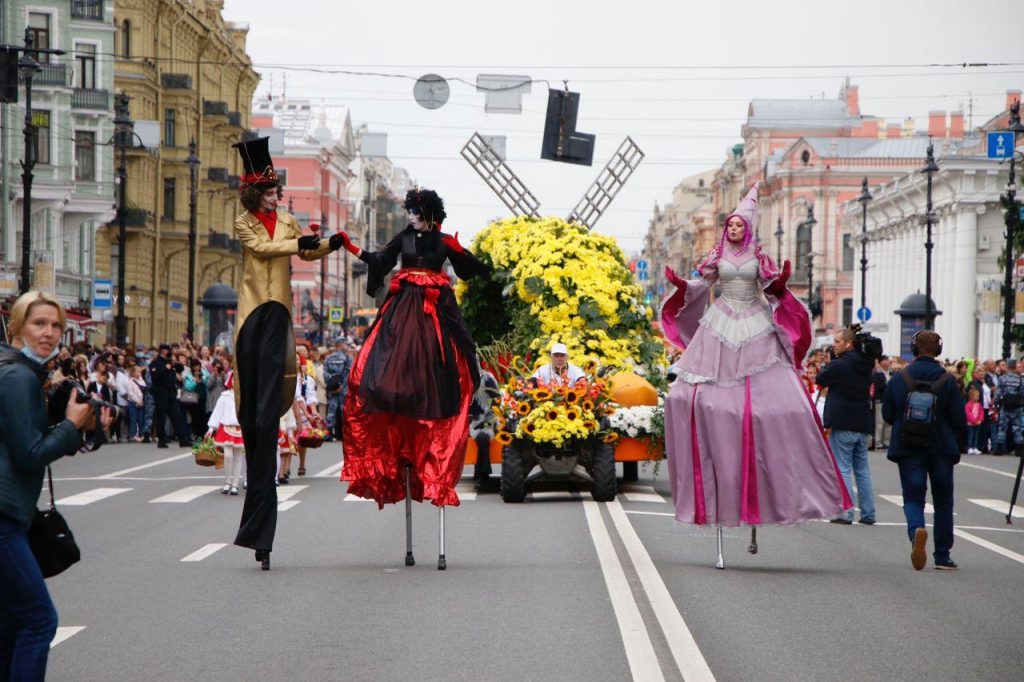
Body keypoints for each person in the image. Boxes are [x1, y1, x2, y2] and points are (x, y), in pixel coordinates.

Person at [661, 182, 851, 567]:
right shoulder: (717, 256)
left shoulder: (758, 257)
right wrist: (684, 286)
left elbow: (768, 287)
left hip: (753, 322)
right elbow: (705, 283)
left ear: (746, 230)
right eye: (728, 225)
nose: (732, 230)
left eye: (737, 226)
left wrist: (779, 281)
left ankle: (776, 477)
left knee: (768, 405)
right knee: (693, 394)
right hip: (720, 322)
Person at [230, 136, 341, 570]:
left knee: (267, 418)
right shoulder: (245, 223)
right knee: (253, 422)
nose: (279, 195)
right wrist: (300, 243)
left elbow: (307, 253)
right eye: (273, 190)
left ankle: (262, 529)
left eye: (278, 190)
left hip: (279, 319)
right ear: (257, 192)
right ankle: (257, 521)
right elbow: (264, 250)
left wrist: (332, 243)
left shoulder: (290, 221)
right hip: (251, 319)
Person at [341, 188, 488, 510]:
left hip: (436, 308)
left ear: (430, 215)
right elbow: (380, 260)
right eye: (409, 212)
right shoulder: (403, 237)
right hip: (405, 305)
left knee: (446, 356)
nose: (410, 217)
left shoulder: (444, 240)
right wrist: (350, 246)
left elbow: (471, 270)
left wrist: (462, 251)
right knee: (385, 357)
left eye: (416, 213)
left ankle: (435, 416)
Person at [0, 291, 105, 680]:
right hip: (4, 516)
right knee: (39, 621)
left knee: (11, 625)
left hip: (11, 512)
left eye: (56, 325)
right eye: (38, 324)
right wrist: (71, 426)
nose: (48, 333)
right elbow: (29, 454)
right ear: (17, 326)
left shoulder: (17, 370)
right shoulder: (17, 376)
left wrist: (72, 426)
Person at [882, 331, 966, 570]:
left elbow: (887, 413)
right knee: (943, 502)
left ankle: (916, 530)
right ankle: (943, 555)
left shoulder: (900, 378)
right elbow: (959, 419)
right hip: (940, 447)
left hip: (909, 446)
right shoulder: (948, 380)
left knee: (913, 497)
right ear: (938, 350)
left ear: (913, 349)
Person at [817, 328, 876, 525]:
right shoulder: (866, 363)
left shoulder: (840, 365)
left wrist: (831, 360)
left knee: (842, 467)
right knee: (862, 470)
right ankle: (868, 513)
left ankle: (845, 512)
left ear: (848, 344)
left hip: (843, 421)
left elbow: (820, 379)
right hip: (861, 421)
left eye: (838, 341)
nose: (834, 344)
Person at [208, 371, 244, 495]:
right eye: (234, 380)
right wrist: (211, 428)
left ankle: (234, 484)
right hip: (226, 427)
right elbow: (217, 412)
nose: (235, 382)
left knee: (238, 457)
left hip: (239, 428)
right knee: (228, 455)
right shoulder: (225, 396)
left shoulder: (245, 396)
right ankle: (227, 481)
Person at [149, 344, 191, 449]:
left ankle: (183, 439)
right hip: (160, 393)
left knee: (177, 416)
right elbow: (155, 375)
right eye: (168, 351)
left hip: (171, 393)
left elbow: (180, 368)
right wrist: (165, 368)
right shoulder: (156, 363)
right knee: (161, 417)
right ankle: (161, 440)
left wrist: (174, 361)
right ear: (163, 351)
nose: (169, 353)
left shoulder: (170, 362)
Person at [469, 363, 500, 492]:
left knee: (483, 436)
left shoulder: (487, 378)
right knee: (479, 434)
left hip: (489, 419)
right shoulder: (462, 379)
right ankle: (479, 472)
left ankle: (484, 475)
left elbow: (498, 400)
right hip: (471, 421)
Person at [993, 358, 1024, 456]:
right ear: (1015, 367)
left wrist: (996, 404)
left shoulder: (1002, 379)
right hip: (1016, 407)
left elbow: (998, 393)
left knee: (1002, 427)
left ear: (1008, 366)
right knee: (1017, 428)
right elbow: (1022, 393)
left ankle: (999, 449)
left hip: (1005, 406)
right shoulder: (1020, 379)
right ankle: (1019, 450)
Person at [323, 343, 352, 440]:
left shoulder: (328, 358)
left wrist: (332, 384)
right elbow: (349, 374)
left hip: (332, 389)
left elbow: (325, 374)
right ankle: (345, 434)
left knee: (331, 412)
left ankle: (329, 433)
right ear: (341, 345)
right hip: (344, 390)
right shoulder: (348, 358)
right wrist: (342, 386)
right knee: (344, 411)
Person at [870, 355, 892, 450]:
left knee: (889, 422)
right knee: (880, 422)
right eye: (885, 360)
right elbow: (877, 387)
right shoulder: (877, 374)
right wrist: (887, 384)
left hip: (891, 401)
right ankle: (878, 442)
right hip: (880, 400)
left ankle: (886, 441)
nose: (888, 362)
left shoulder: (892, 373)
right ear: (881, 362)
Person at [966, 387, 984, 455]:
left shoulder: (979, 405)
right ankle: (970, 447)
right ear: (971, 396)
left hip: (977, 423)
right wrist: (974, 421)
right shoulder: (968, 405)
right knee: (970, 435)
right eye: (976, 396)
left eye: (978, 396)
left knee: (976, 436)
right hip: (970, 423)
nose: (977, 397)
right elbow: (968, 414)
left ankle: (975, 447)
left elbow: (981, 413)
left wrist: (980, 420)